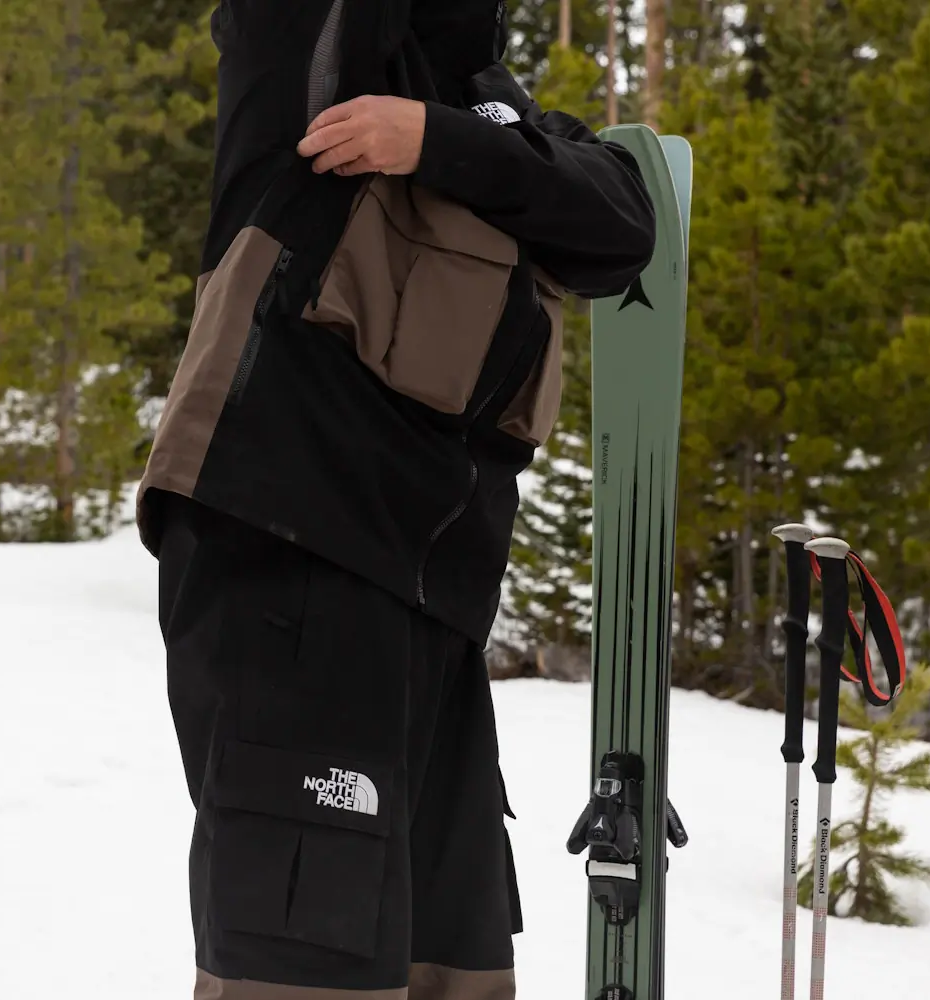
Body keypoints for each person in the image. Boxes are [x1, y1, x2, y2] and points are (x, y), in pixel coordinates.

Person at [135, 2, 657, 997]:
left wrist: (435, 140)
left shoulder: (494, 107)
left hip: (435, 609)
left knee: (453, 967)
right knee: (304, 967)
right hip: (291, 553)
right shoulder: (300, 50)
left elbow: (622, 224)